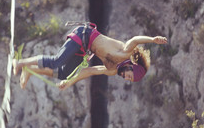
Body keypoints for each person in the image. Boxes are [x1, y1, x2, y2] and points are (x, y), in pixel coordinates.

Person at [13, 23, 167, 90]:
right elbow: (135, 40)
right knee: (56, 61)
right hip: (84, 35)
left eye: (128, 79)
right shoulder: (125, 52)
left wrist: (69, 82)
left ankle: (29, 70)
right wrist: (152, 39)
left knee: (64, 74)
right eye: (130, 76)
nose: (126, 78)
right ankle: (20, 62)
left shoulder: (112, 70)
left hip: (84, 49)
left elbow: (89, 71)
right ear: (132, 67)